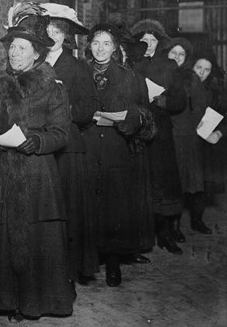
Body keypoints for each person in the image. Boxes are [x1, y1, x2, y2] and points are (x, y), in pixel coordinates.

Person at [0, 2, 75, 321]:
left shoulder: (52, 87)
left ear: (37, 53)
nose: (14, 52)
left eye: (22, 47)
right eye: (12, 46)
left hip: (34, 174)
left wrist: (36, 141)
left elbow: (60, 132)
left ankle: (24, 302)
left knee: (28, 237)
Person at [77, 23, 151, 287]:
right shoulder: (80, 72)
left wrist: (125, 120)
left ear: (115, 48)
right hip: (86, 147)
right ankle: (88, 260)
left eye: (107, 43)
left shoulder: (128, 76)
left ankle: (113, 262)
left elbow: (142, 114)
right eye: (96, 43)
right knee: (87, 206)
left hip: (115, 147)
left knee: (114, 209)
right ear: (89, 46)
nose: (101, 48)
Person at [40, 2, 99, 282]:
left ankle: (69, 269)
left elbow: (88, 110)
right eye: (47, 28)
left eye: (57, 29)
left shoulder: (78, 68)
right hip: (39, 145)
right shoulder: (32, 63)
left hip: (68, 148)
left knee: (67, 207)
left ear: (66, 36)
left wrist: (59, 109)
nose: (51, 34)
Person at [131, 18, 187, 255]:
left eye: (153, 40)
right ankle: (140, 238)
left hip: (161, 132)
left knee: (163, 183)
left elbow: (180, 100)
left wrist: (164, 101)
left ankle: (164, 235)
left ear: (159, 42)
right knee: (139, 183)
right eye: (144, 40)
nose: (149, 44)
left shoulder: (169, 65)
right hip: (137, 129)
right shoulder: (131, 64)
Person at [167, 38, 209, 238]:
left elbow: (199, 108)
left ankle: (193, 222)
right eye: (173, 53)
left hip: (186, 136)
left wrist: (187, 127)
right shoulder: (162, 73)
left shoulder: (190, 77)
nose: (176, 57)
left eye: (181, 54)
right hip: (166, 135)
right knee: (173, 184)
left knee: (189, 182)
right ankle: (172, 229)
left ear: (186, 58)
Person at [193, 51, 227, 228]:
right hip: (184, 142)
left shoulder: (215, 92)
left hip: (205, 144)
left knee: (202, 183)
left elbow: (224, 117)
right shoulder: (181, 87)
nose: (201, 73)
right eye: (198, 67)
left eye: (206, 70)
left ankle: (197, 219)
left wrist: (219, 133)